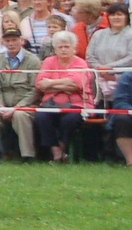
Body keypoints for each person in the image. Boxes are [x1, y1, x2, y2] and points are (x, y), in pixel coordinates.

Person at [34, 31, 95, 163]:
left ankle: (61, 150)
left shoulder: (81, 63)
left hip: (77, 104)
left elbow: (76, 84)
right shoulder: (49, 62)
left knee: (70, 119)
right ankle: (56, 152)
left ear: (74, 48)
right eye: (60, 47)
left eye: (67, 46)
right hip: (51, 104)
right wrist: (64, 84)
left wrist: (51, 83)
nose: (63, 49)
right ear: (55, 49)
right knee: (42, 117)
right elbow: (40, 84)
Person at [0, 25, 41, 162]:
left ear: (21, 41)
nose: (11, 43)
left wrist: (17, 107)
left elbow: (35, 89)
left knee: (20, 115)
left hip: (25, 103)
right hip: (3, 102)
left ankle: (28, 155)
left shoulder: (33, 60)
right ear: (3, 42)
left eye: (14, 40)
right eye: (7, 41)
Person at [87, 3, 132, 107]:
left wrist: (110, 68)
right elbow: (89, 56)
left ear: (126, 17)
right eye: (113, 15)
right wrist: (101, 69)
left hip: (122, 79)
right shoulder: (98, 34)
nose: (116, 17)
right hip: (98, 79)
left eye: (120, 14)